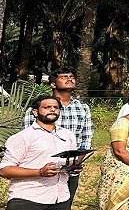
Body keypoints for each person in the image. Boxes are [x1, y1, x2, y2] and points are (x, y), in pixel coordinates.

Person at [23, 67, 93, 208]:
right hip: (42, 168)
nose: (69, 79)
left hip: (70, 168)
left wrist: (74, 163)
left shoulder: (83, 108)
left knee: (64, 204)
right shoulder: (40, 108)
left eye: (72, 76)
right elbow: (27, 138)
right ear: (53, 84)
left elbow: (86, 139)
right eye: (64, 77)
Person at [0, 95, 77, 210]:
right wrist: (40, 172)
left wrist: (72, 167)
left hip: (61, 198)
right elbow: (4, 170)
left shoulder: (68, 135)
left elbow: (68, 162)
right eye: (47, 107)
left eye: (56, 107)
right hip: (28, 198)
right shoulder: (23, 137)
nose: (52, 110)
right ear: (35, 112)